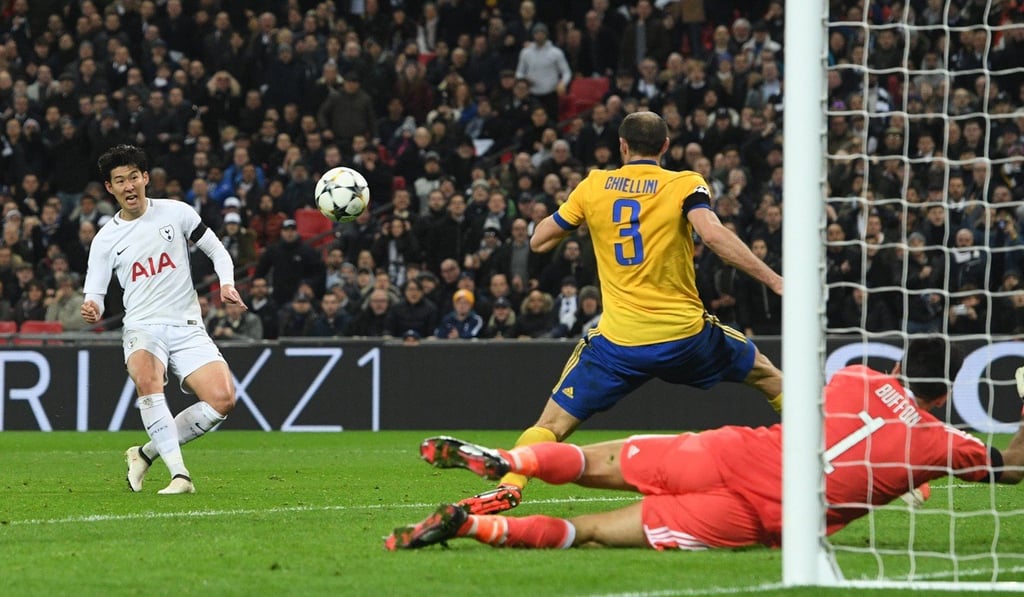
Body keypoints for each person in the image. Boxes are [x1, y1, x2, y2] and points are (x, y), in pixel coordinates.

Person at [386, 337, 1024, 551]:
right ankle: (475, 532)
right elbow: (1012, 470)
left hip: (740, 450)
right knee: (598, 532)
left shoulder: (856, 376)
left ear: (902, 366)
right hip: (769, 513)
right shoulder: (943, 441)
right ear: (946, 394)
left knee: (594, 459)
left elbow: (846, 417)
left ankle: (512, 460)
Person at [456, 111, 785, 516]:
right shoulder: (685, 183)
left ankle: (510, 483)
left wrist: (581, 215)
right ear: (665, 146)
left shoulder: (594, 186)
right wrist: (775, 281)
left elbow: (539, 240)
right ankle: (819, 451)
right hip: (685, 337)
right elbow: (713, 234)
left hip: (619, 343)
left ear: (622, 146)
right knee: (768, 376)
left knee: (553, 424)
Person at [80, 145, 247, 495]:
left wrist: (227, 283)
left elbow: (216, 249)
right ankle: (180, 475)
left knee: (223, 400)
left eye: (133, 178)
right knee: (147, 379)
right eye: (119, 180)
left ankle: (144, 453)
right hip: (142, 325)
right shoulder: (105, 240)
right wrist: (92, 307)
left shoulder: (176, 213)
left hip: (187, 326)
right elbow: (93, 293)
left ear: (145, 178)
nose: (128, 186)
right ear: (110, 188)